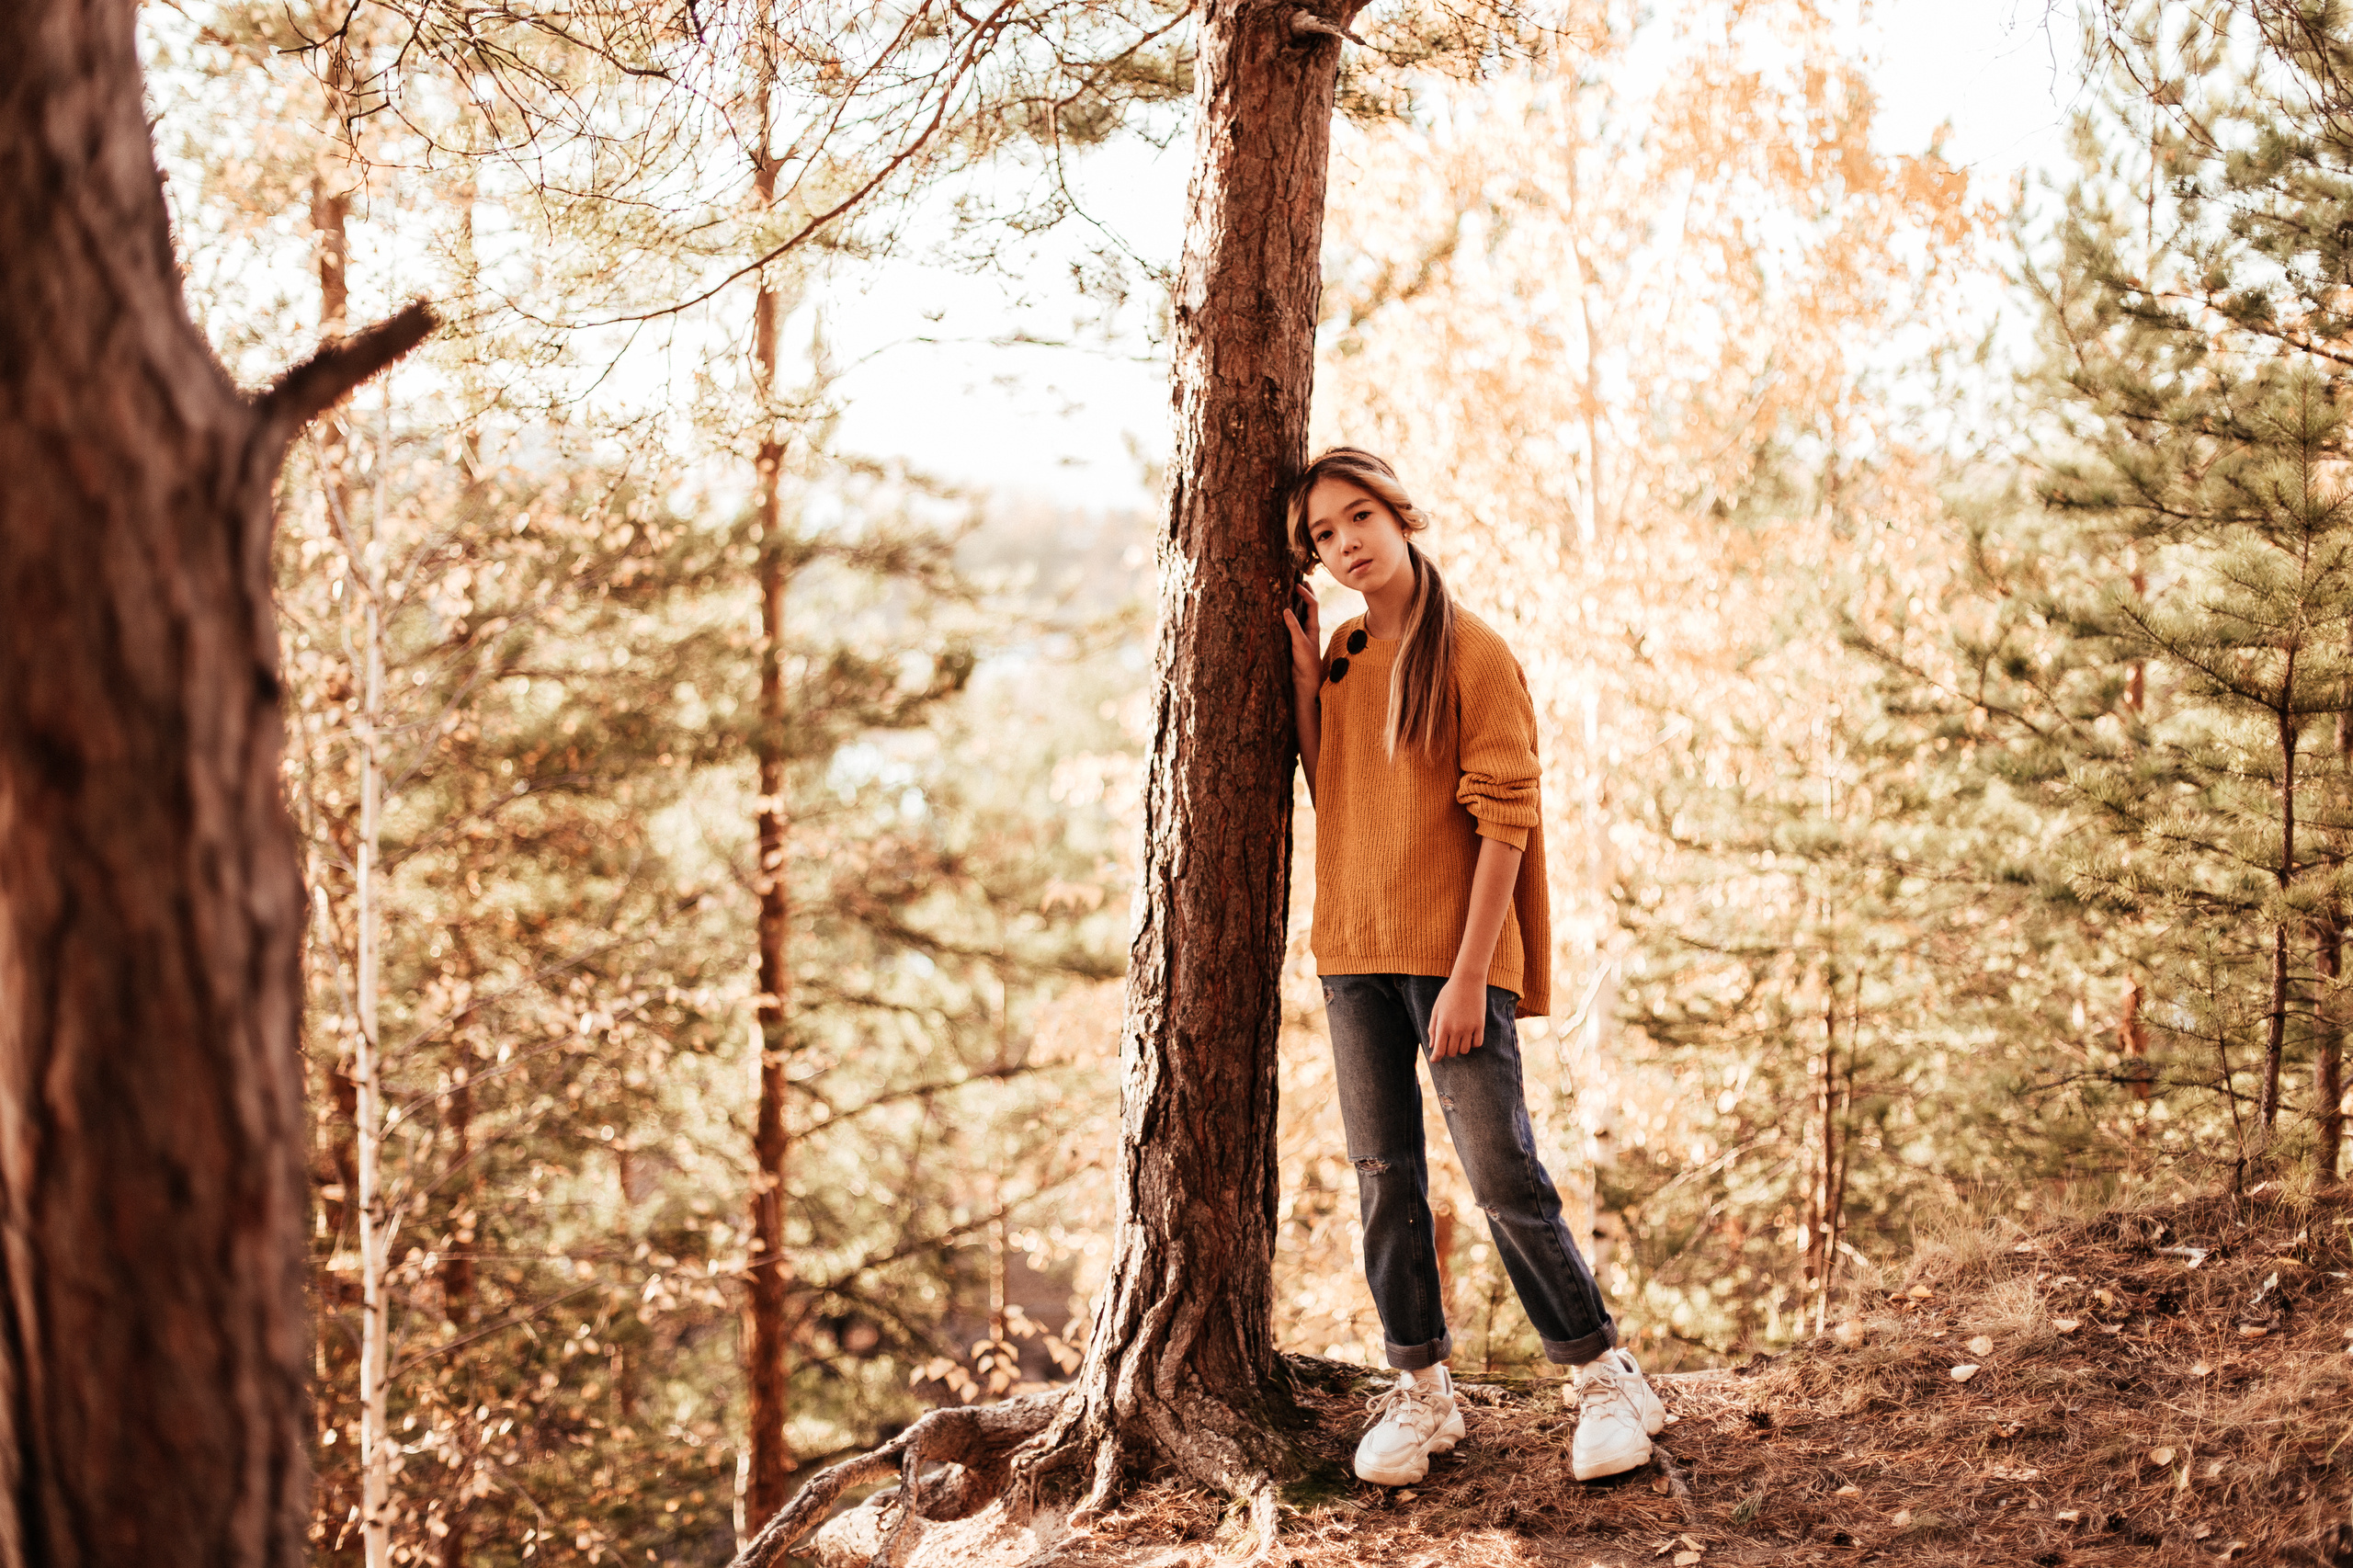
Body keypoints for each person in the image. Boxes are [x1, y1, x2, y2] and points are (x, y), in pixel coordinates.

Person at [1279, 447, 1665, 1488]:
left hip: (1453, 960)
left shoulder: (1474, 654)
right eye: (1322, 534)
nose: (1344, 543)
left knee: (1500, 1175)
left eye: (1358, 517)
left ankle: (1602, 1371)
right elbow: (1341, 789)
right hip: (1353, 951)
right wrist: (1312, 690)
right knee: (1382, 1175)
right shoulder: (1351, 651)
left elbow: (1507, 820)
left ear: (1401, 517)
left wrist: (1465, 975)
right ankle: (1422, 1389)